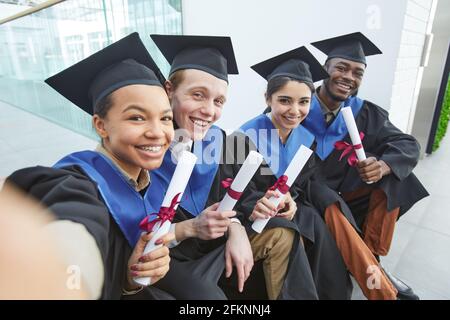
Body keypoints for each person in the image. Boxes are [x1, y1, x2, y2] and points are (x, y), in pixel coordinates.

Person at [4, 33, 175, 299]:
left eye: (165, 118)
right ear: (100, 125)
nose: (157, 132)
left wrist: (131, 280)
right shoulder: (76, 182)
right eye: (137, 117)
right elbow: (73, 225)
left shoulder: (146, 180)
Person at [146, 34, 303, 300]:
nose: (209, 111)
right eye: (198, 95)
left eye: (219, 101)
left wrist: (280, 200)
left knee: (283, 231)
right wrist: (222, 227)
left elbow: (264, 185)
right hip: (168, 259)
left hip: (215, 246)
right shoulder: (145, 149)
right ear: (169, 89)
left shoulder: (224, 142)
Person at [303, 32, 429, 299]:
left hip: (345, 195)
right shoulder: (298, 106)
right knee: (323, 196)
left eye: (358, 72)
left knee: (397, 175)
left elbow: (408, 144)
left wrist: (382, 166)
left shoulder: (366, 112)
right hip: (307, 196)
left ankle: (371, 256)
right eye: (341, 67)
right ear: (325, 69)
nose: (349, 77)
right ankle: (378, 282)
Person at [231, 46, 352, 300]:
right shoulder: (242, 138)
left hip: (283, 211)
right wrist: (261, 203)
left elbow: (301, 185)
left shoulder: (306, 139)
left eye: (304, 101)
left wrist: (292, 202)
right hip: (249, 219)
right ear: (268, 99)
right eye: (284, 100)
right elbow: (231, 191)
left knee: (316, 222)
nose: (294, 110)